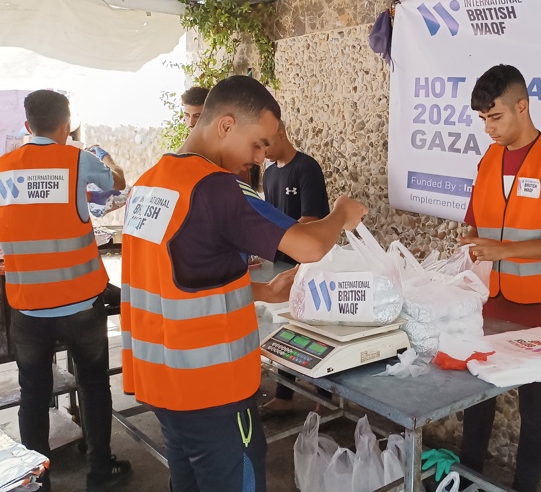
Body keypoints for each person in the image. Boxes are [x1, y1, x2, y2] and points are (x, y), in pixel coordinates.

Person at [120, 75, 367, 492]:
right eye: (257, 145)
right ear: (226, 125)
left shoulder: (148, 184)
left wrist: (262, 291)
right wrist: (341, 212)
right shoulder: (216, 188)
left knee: (189, 482)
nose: (260, 159)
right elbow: (308, 245)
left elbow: (180, 279)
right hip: (213, 391)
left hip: (160, 384)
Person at [459, 64, 541, 492]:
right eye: (483, 120)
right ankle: (465, 480)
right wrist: (467, 252)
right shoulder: (488, 160)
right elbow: (474, 226)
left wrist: (506, 251)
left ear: (522, 106)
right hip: (492, 304)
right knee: (476, 405)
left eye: (495, 118)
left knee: (536, 413)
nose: (489, 130)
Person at [0, 90, 130, 492]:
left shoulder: (4, 168)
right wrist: (104, 156)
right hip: (80, 304)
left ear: (27, 126)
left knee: (33, 394)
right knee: (93, 384)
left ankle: (38, 480)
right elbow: (119, 184)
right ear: (65, 124)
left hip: (27, 307)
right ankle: (99, 469)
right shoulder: (78, 159)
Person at [258, 120, 332, 419]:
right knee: (286, 328)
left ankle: (325, 403)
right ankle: (285, 395)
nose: (262, 152)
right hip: (283, 262)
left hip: (310, 262)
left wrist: (277, 238)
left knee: (316, 330)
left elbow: (311, 221)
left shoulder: (306, 168)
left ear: (281, 132)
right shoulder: (270, 172)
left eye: (265, 143)